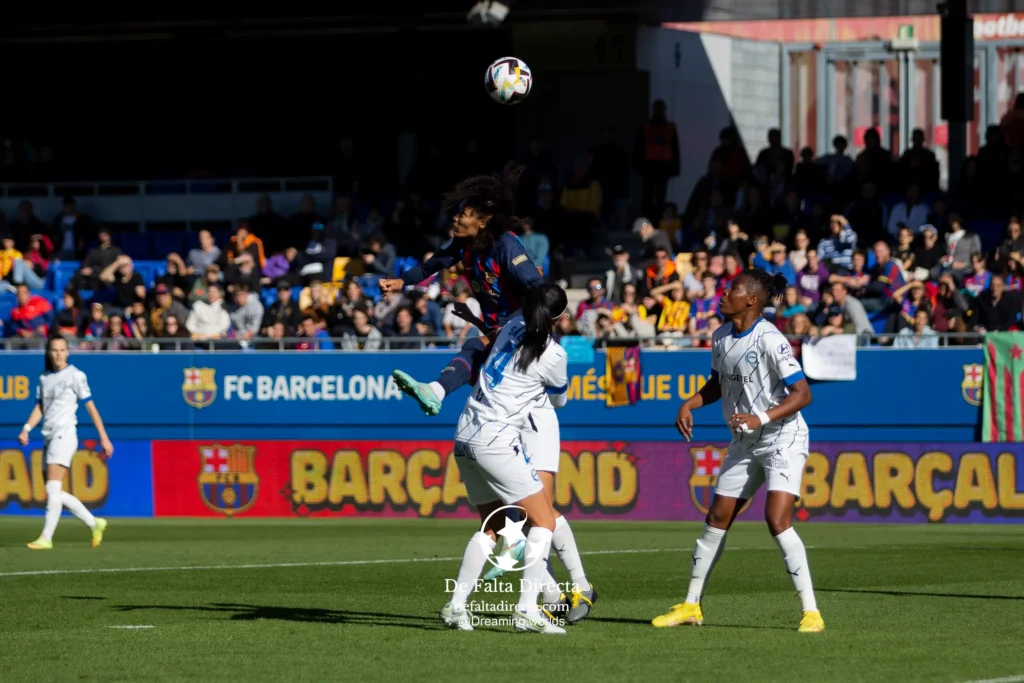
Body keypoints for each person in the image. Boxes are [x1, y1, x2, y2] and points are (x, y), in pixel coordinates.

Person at [651, 269, 824, 633]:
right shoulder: (719, 336)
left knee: (776, 520)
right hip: (744, 442)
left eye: (732, 290)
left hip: (782, 437)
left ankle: (811, 613)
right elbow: (717, 383)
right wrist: (689, 403)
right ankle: (691, 606)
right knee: (716, 519)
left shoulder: (770, 340)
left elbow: (803, 394)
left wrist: (761, 417)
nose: (723, 294)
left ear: (751, 300)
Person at [440, 284, 570, 635]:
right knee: (543, 522)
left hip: (465, 433)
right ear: (559, 318)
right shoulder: (554, 354)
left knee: (492, 528)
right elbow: (558, 401)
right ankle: (527, 610)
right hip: (495, 440)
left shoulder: (512, 325)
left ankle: (456, 606)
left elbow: (496, 336)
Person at [379, 163, 543, 416]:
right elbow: (431, 265)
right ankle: (437, 392)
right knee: (482, 367)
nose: (455, 218)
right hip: (498, 324)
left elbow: (537, 290)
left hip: (525, 322)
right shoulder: (462, 245)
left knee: (476, 349)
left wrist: (542, 324)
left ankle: (436, 391)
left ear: (482, 222)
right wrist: (402, 281)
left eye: (463, 214)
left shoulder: (507, 247)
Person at [18, 334, 113, 550]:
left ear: (68, 352)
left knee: (52, 488)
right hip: (49, 436)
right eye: (54, 350)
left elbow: (91, 407)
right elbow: (40, 408)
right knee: (55, 492)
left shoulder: (75, 376)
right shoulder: (44, 378)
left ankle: (46, 538)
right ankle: (94, 522)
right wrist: (26, 429)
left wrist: (104, 438)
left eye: (62, 349)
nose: (58, 353)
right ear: (49, 353)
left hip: (65, 435)